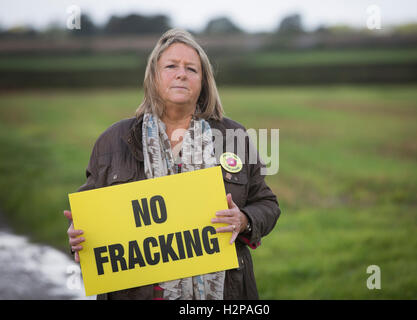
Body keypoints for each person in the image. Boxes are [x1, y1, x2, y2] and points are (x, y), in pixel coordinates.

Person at [64, 28, 280, 300]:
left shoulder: (232, 137)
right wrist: (78, 234)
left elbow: (267, 204)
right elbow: (87, 218)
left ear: (203, 81)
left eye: (192, 69)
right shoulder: (112, 141)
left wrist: (244, 219)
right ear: (153, 77)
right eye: (171, 66)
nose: (181, 74)